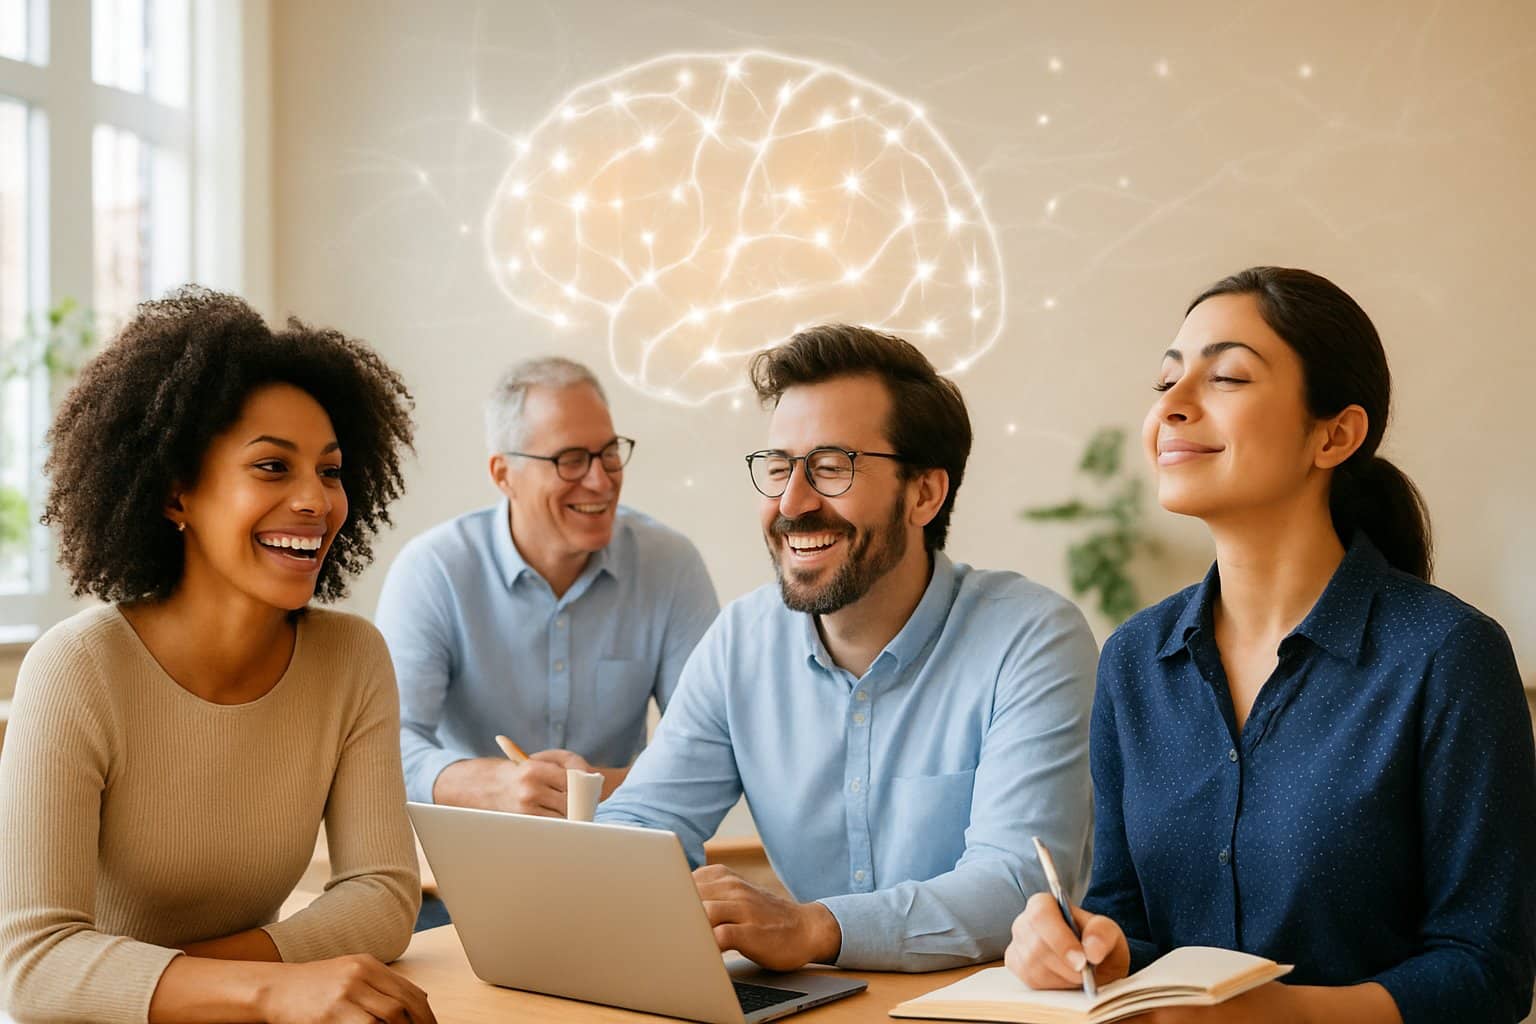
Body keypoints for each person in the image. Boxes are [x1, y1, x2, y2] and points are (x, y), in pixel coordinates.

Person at [1005, 267, 1536, 1023]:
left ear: (1335, 434)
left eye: (1225, 376)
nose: (1173, 407)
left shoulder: (1448, 656)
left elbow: (1488, 970)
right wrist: (1085, 942)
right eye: (1166, 381)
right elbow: (1129, 921)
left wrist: (1285, 1015)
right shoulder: (1134, 660)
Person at [599, 324, 1099, 973]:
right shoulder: (741, 642)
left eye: (832, 467)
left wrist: (814, 926)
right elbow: (641, 821)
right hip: (818, 1004)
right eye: (778, 467)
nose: (791, 501)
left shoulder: (1032, 639)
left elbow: (1016, 885)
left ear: (924, 493)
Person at [0, 288, 435, 1023]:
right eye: (272, 468)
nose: (315, 502)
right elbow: (36, 968)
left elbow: (383, 898)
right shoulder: (77, 669)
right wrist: (273, 988)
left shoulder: (351, 659)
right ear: (177, 495)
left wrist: (208, 983)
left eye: (330, 472)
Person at [375, 356, 718, 817]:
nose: (600, 481)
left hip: (616, 848)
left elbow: (707, 750)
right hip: (468, 860)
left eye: (609, 452)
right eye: (570, 460)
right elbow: (383, 745)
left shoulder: (671, 565)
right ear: (503, 475)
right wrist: (492, 785)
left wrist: (585, 790)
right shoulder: (434, 570)